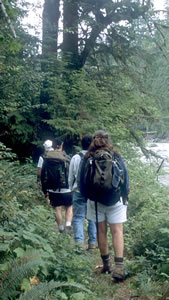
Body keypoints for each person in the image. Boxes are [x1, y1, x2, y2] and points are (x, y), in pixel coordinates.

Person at [80, 130, 129, 281]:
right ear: (108, 141)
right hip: (115, 199)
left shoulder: (87, 158)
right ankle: (119, 268)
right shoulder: (116, 156)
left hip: (95, 201)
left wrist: (88, 197)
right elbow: (125, 177)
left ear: (93, 141)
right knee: (117, 231)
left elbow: (81, 181)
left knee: (101, 231)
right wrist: (124, 195)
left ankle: (106, 265)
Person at [68, 135, 97, 250]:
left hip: (78, 191)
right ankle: (92, 243)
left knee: (78, 217)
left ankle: (79, 244)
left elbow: (70, 176)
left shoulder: (75, 157)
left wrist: (71, 189)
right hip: (92, 192)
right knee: (92, 218)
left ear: (81, 144)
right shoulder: (95, 157)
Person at [41, 138, 73, 234]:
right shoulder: (66, 157)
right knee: (69, 207)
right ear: (61, 146)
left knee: (57, 208)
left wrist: (44, 189)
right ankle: (68, 225)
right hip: (66, 187)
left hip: (52, 188)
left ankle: (61, 228)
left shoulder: (47, 158)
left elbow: (43, 174)